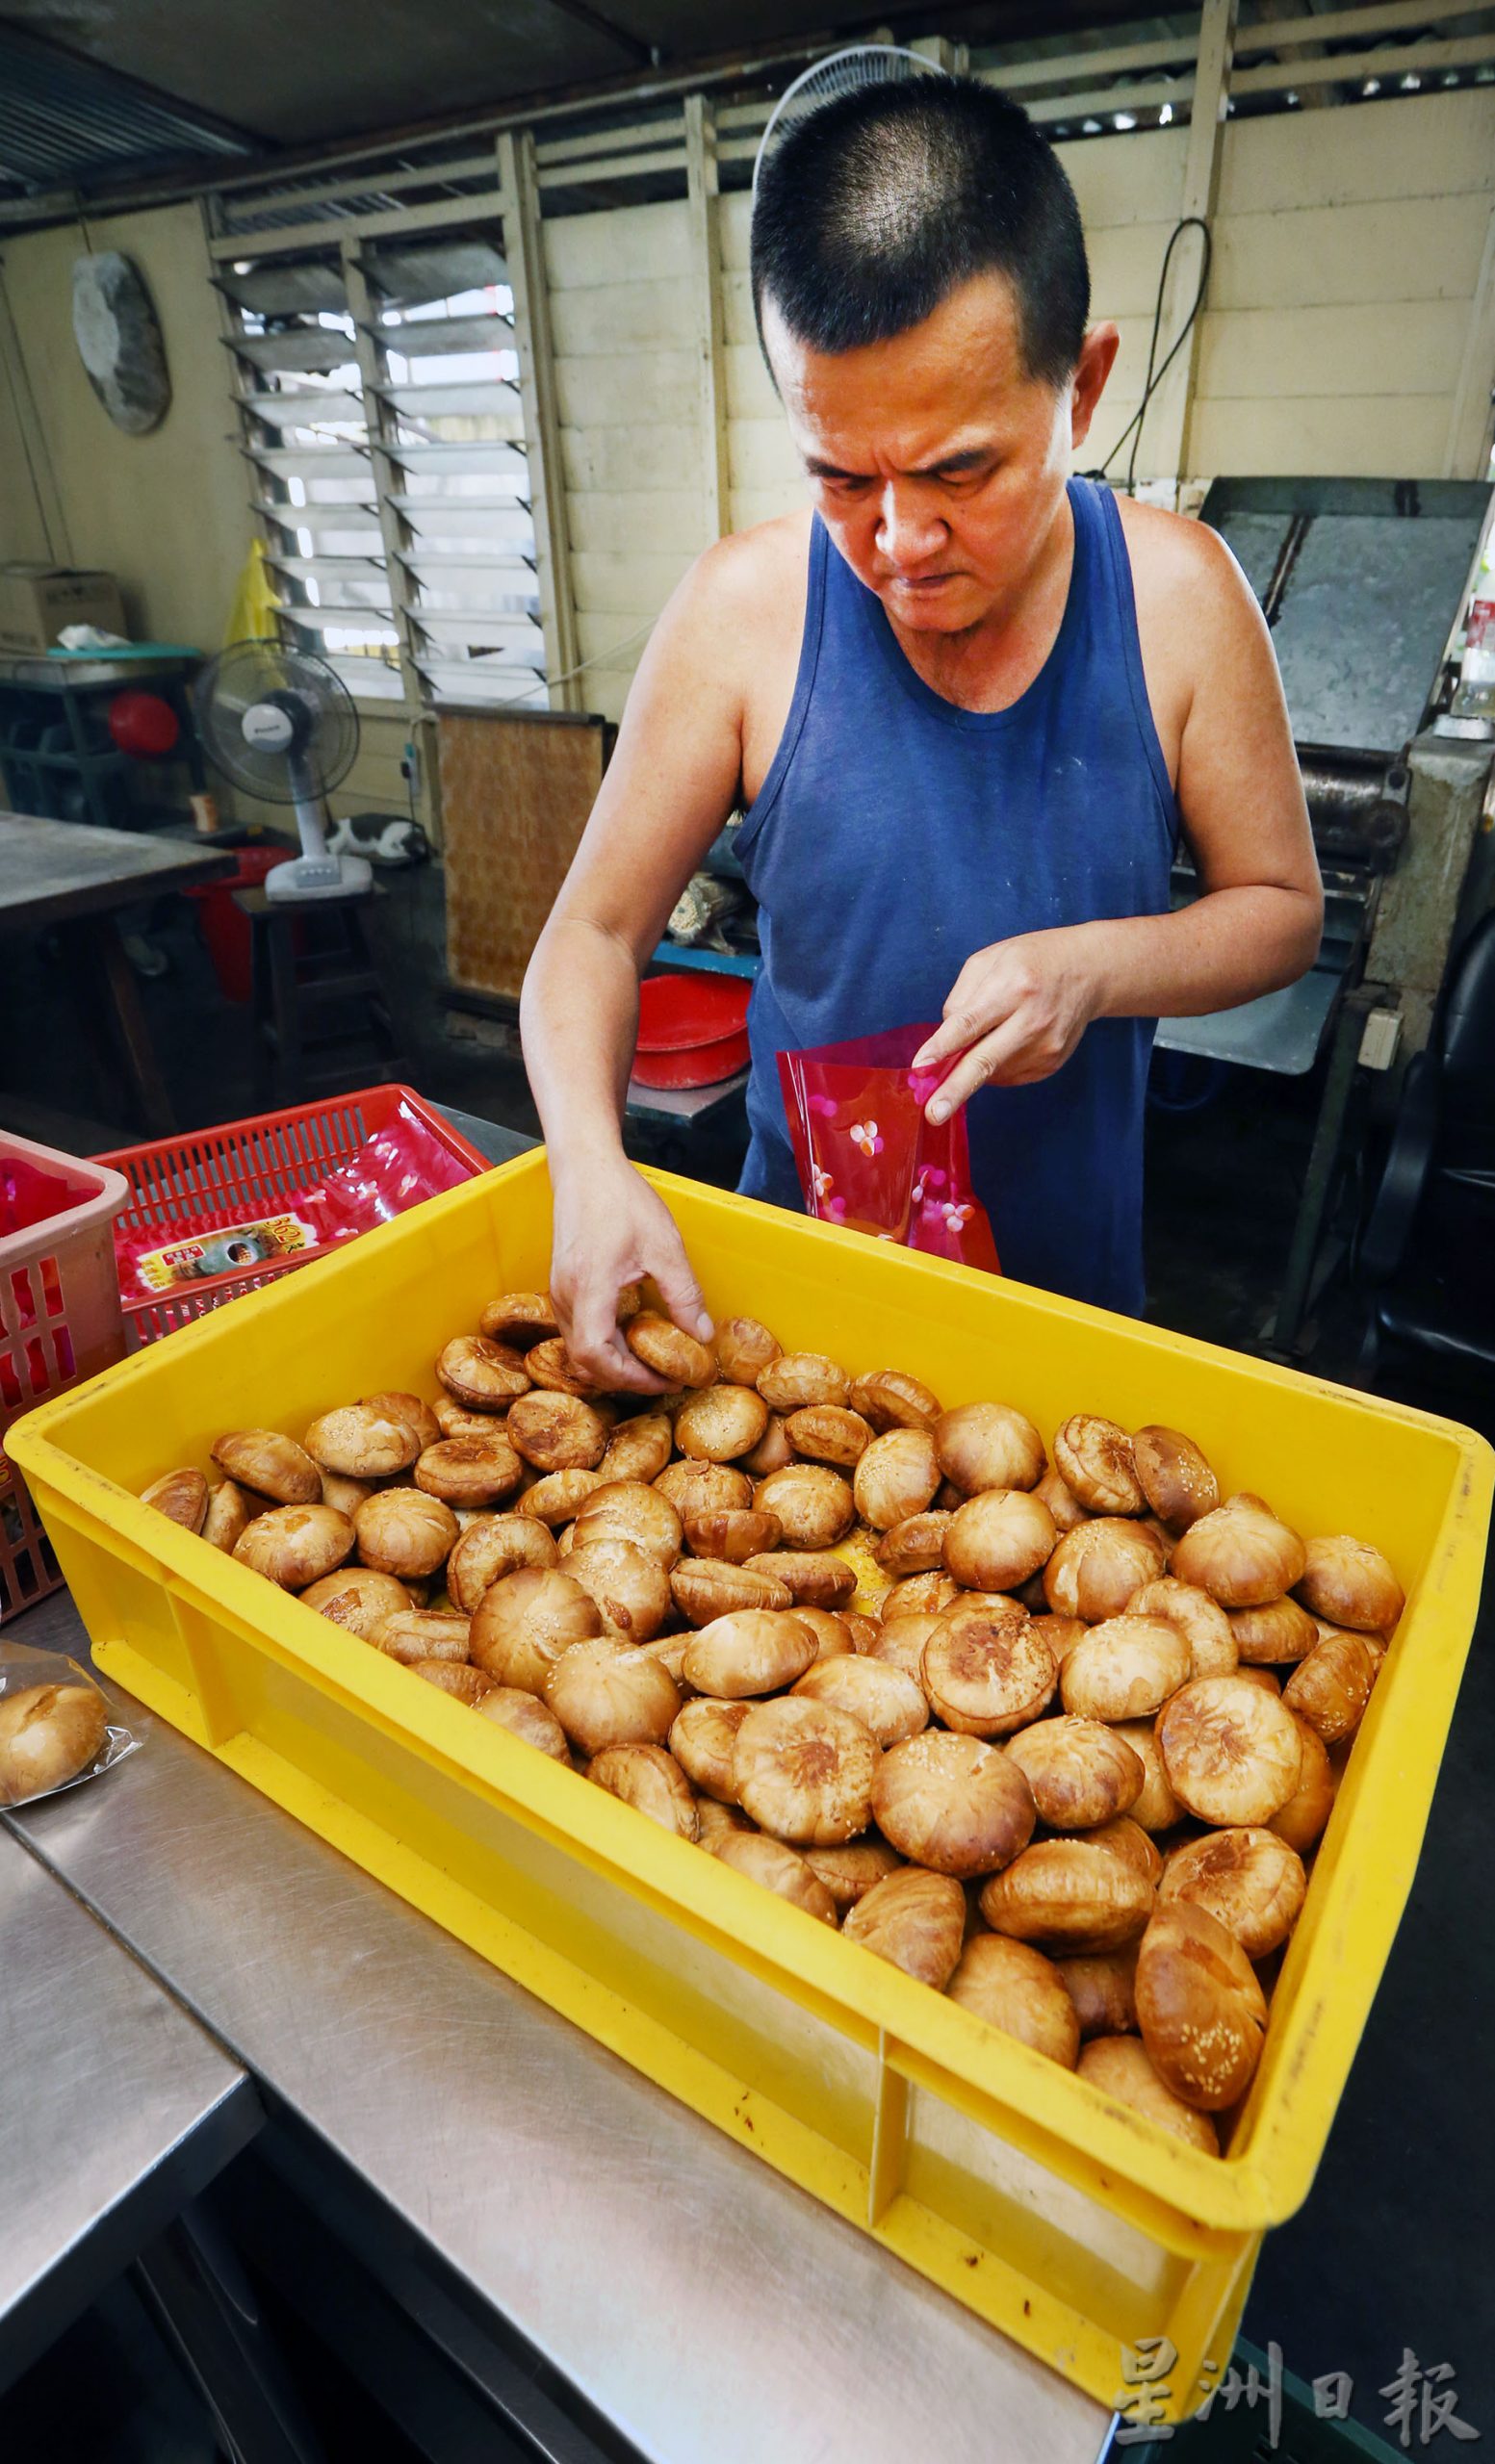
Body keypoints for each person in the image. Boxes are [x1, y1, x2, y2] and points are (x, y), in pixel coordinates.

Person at [521, 74, 1322, 1393]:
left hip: (1061, 1311)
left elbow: (1280, 911)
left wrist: (1098, 969)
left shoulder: (1179, 599)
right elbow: (591, 939)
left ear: (1083, 389)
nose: (898, 545)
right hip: (792, 1319)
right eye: (841, 476)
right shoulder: (741, 612)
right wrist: (589, 1167)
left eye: (960, 472)